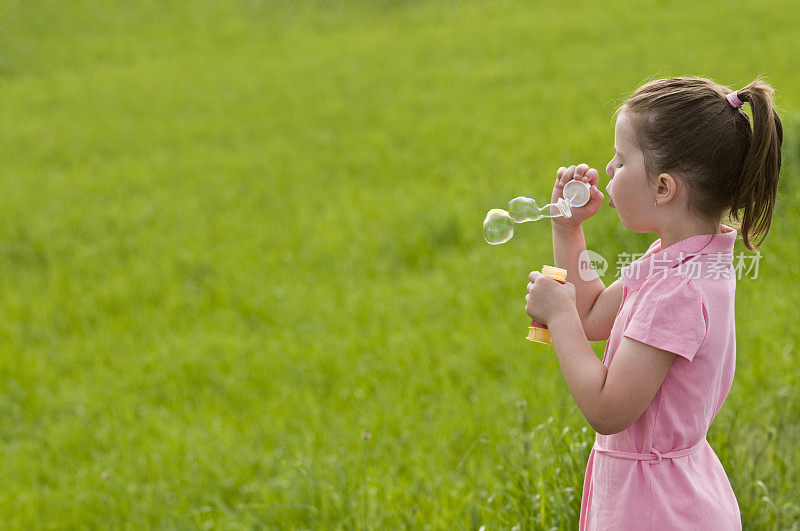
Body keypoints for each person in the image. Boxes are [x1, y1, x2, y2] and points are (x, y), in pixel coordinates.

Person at [524, 77, 782, 529]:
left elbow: (608, 410)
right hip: (665, 493)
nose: (607, 168)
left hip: (657, 509)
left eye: (621, 161)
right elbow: (593, 314)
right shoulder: (681, 259)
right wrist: (569, 231)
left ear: (663, 188)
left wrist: (559, 316)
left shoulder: (678, 291)